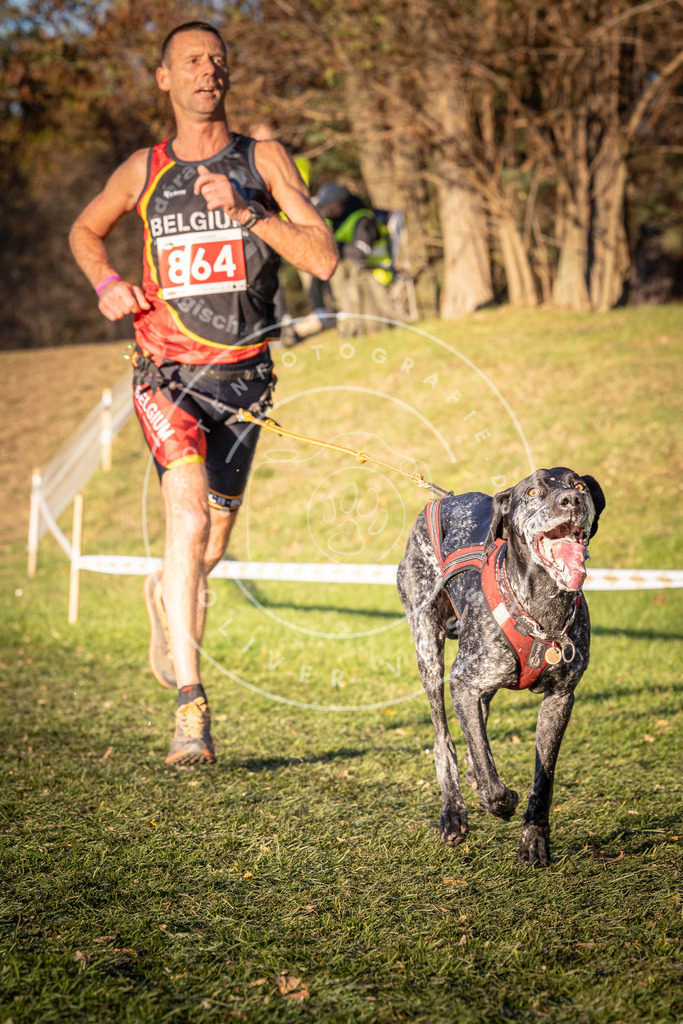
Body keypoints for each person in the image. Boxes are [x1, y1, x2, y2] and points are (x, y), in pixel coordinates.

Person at [69, 22, 337, 766]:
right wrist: (107, 282)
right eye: (190, 61)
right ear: (164, 79)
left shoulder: (261, 159)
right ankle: (192, 710)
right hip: (166, 375)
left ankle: (167, 593)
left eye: (216, 61)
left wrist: (249, 212)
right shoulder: (142, 169)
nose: (205, 71)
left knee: (211, 542)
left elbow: (324, 256)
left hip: (244, 380)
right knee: (184, 518)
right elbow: (85, 232)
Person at [312, 183, 396, 337]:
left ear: (337, 203)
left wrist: (334, 246)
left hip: (376, 273)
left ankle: (354, 327)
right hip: (356, 276)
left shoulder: (362, 220)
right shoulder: (337, 223)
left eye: (324, 205)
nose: (322, 210)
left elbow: (360, 253)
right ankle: (347, 325)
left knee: (340, 269)